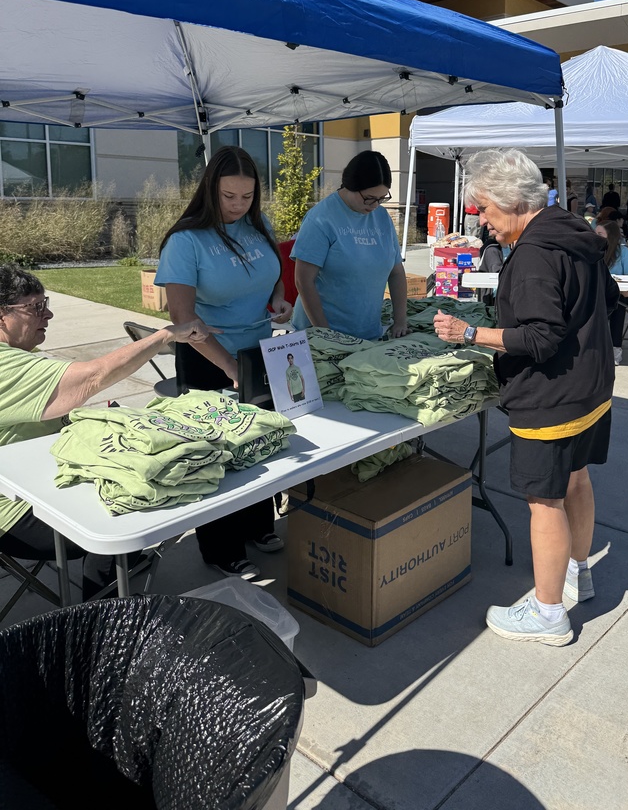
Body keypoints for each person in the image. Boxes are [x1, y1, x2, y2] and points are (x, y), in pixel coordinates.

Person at [432, 148, 619, 647]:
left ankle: (548, 612)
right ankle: (578, 573)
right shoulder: (571, 231)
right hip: (591, 387)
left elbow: (539, 338)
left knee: (544, 500)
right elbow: (611, 297)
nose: (483, 223)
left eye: (485, 211)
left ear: (511, 202)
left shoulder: (535, 254)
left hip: (553, 397)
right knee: (576, 480)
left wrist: (469, 334)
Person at [0, 264, 211, 598]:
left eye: (46, 303)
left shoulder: (20, 353)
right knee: (129, 502)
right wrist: (165, 335)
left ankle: (116, 578)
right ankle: (103, 622)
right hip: (13, 514)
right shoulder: (6, 365)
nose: (49, 314)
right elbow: (91, 377)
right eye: (35, 308)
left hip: (32, 481)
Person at [156, 145, 292, 580]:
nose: (238, 206)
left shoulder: (259, 226)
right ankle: (220, 548)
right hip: (208, 359)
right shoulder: (185, 241)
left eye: (247, 197)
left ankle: (258, 524)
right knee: (218, 456)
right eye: (228, 196)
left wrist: (278, 300)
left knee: (260, 444)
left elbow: (273, 278)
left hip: (258, 352)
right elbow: (182, 319)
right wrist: (230, 368)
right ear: (209, 190)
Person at [292, 150, 408, 340]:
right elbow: (303, 281)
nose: (374, 205)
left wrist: (400, 321)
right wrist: (325, 333)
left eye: (381, 198)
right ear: (351, 185)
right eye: (369, 198)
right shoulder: (321, 218)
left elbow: (396, 272)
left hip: (367, 331)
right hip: (321, 332)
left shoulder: (382, 218)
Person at [595, 220, 628, 365]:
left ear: (610, 236)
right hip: (598, 294)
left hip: (619, 295)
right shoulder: (592, 251)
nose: (595, 237)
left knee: (618, 305)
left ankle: (615, 349)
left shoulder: (623, 252)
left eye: (599, 234)